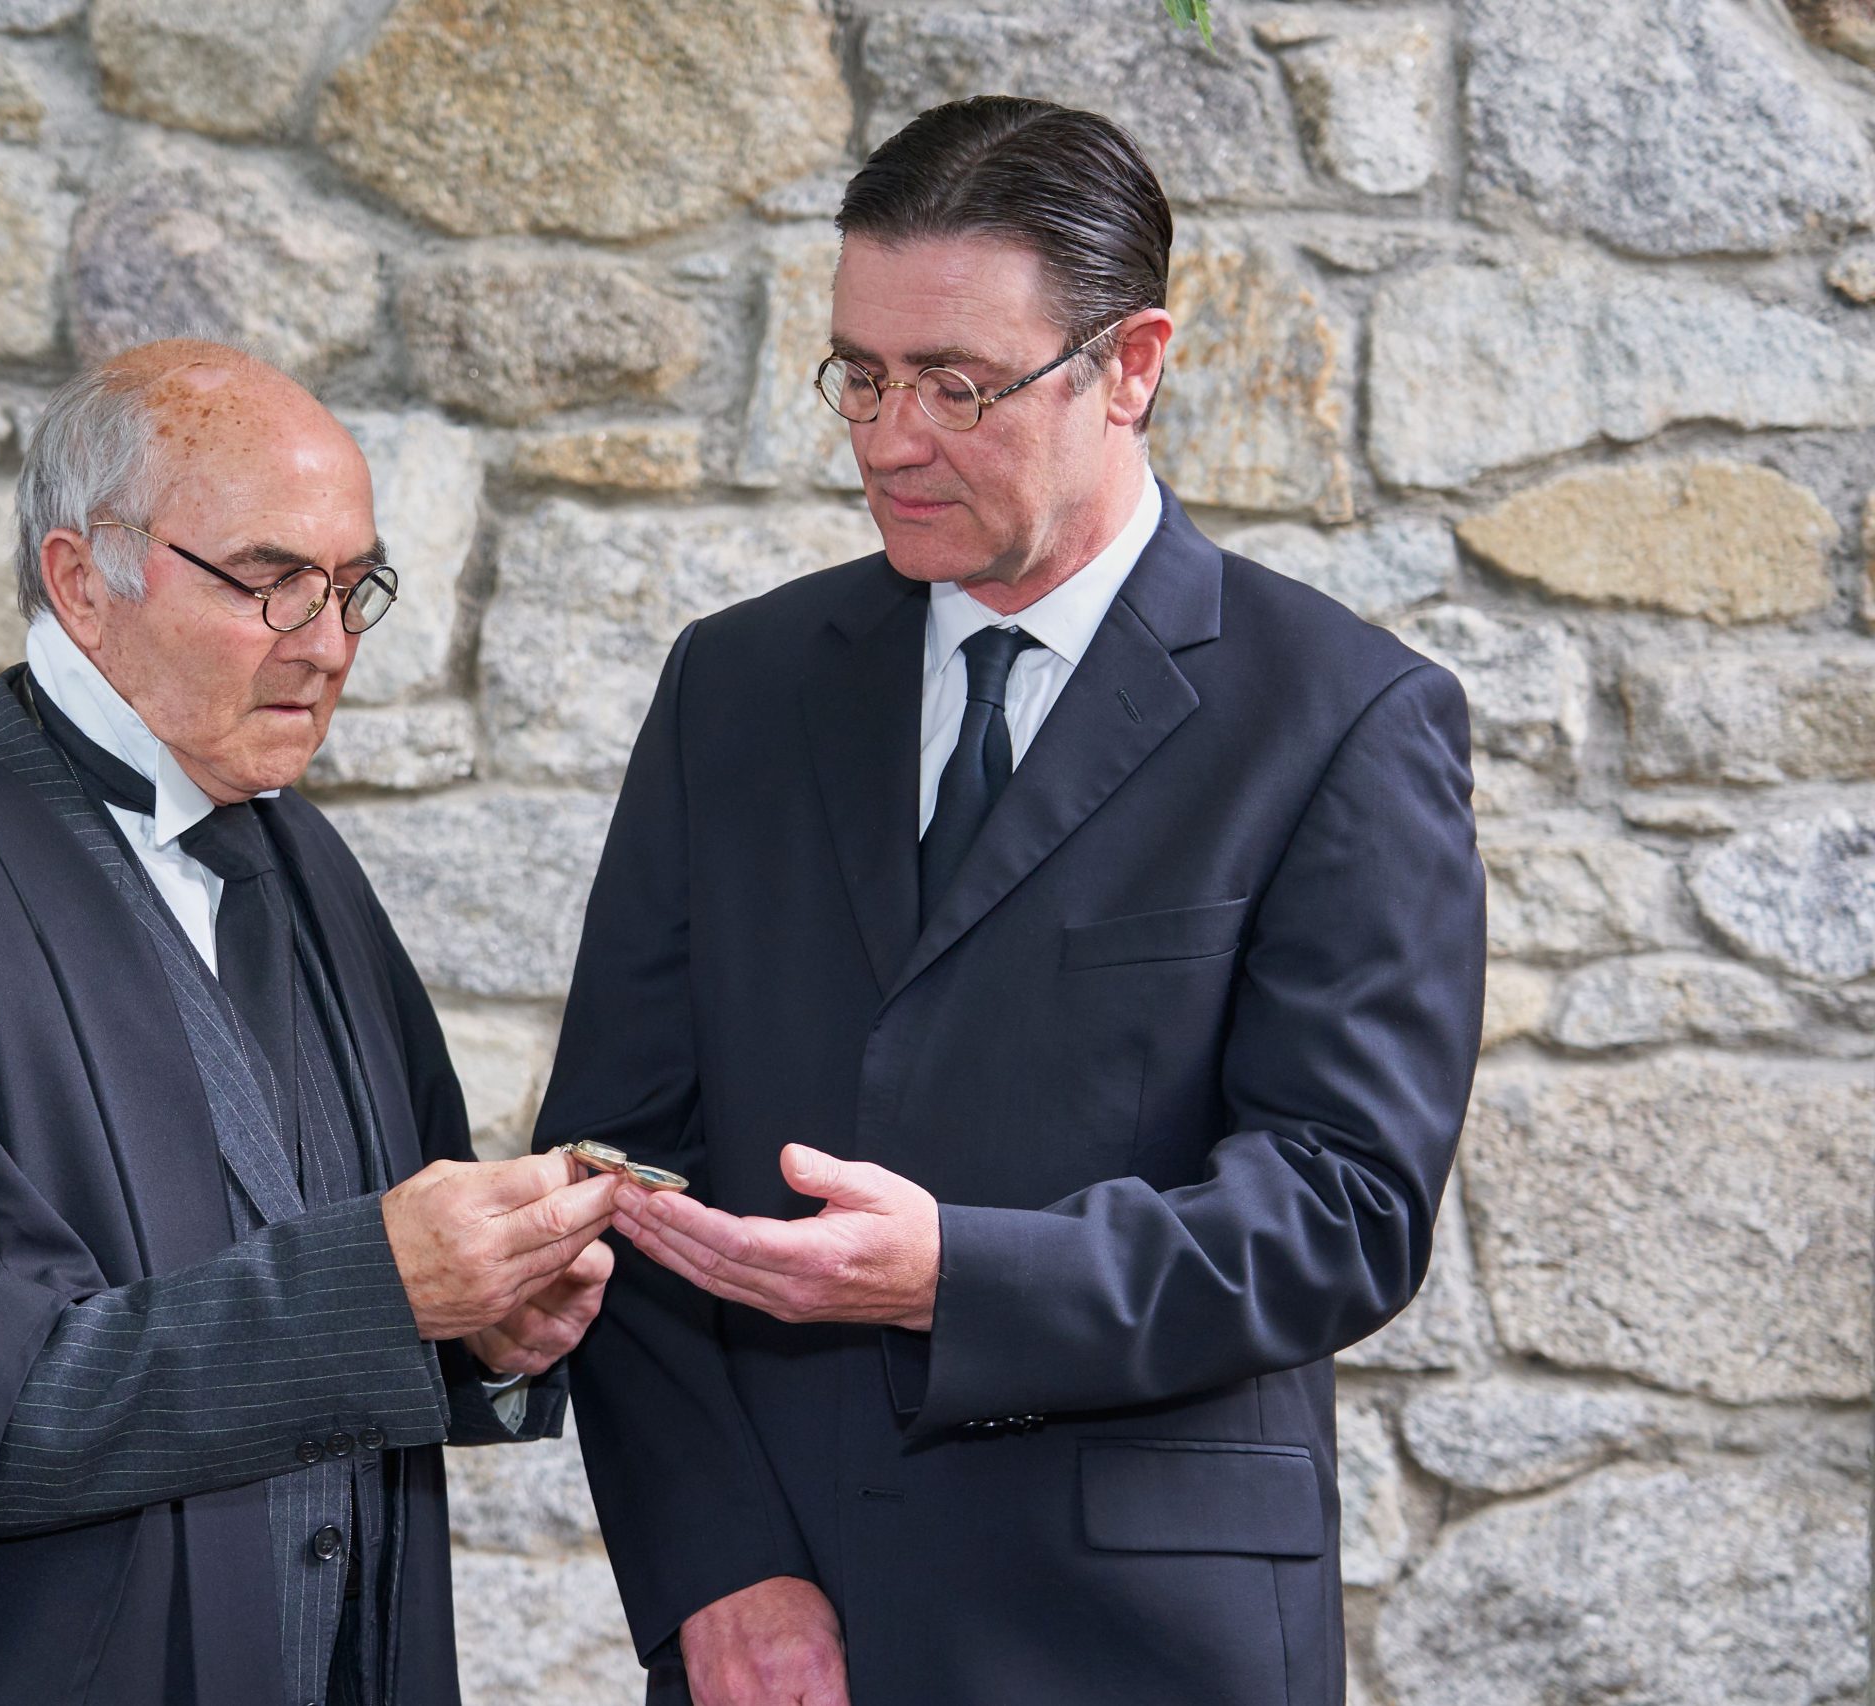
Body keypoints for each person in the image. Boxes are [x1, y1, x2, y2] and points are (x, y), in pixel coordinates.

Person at [537, 97, 1486, 1706]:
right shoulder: (735, 687)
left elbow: (1346, 1206)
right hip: (783, 1641)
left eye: (959, 385)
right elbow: (619, 1165)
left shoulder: (1340, 713)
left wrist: (957, 1276)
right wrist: (717, 1569)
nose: (891, 437)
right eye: (862, 373)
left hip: (1147, 1650)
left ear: (1134, 365)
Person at [0, 340, 626, 1706]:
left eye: (354, 588)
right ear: (80, 578)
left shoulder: (312, 874)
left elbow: (372, 1308)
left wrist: (484, 1328)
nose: (333, 645)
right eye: (274, 581)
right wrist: (379, 1289)